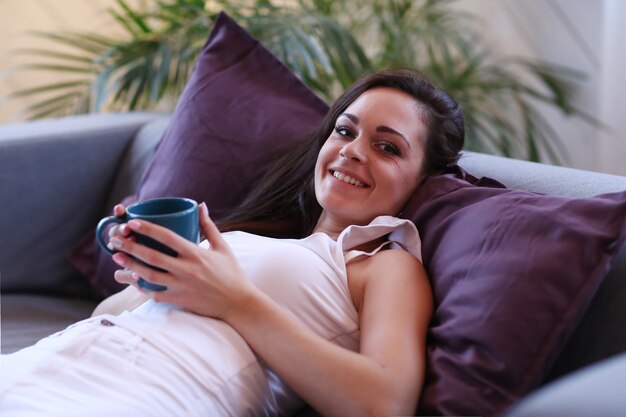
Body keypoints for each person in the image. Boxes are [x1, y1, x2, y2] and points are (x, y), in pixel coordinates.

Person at [0, 68, 464, 417]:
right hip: (43, 365)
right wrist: (152, 278)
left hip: (134, 400)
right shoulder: (259, 240)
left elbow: (384, 402)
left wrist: (233, 300)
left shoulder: (383, 264)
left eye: (388, 147)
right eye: (345, 130)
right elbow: (105, 317)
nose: (353, 150)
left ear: (424, 179)